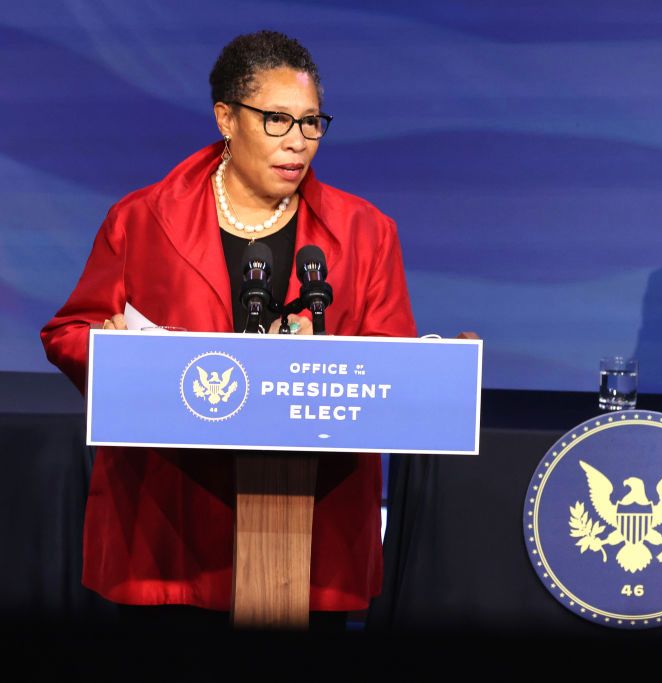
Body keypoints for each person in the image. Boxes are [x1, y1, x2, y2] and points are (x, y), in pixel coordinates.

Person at [40, 31, 417, 616]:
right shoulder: (142, 219)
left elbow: (393, 368)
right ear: (226, 118)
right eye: (276, 120)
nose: (298, 143)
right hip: (171, 521)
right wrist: (113, 355)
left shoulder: (368, 232)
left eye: (311, 122)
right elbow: (70, 331)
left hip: (312, 524)